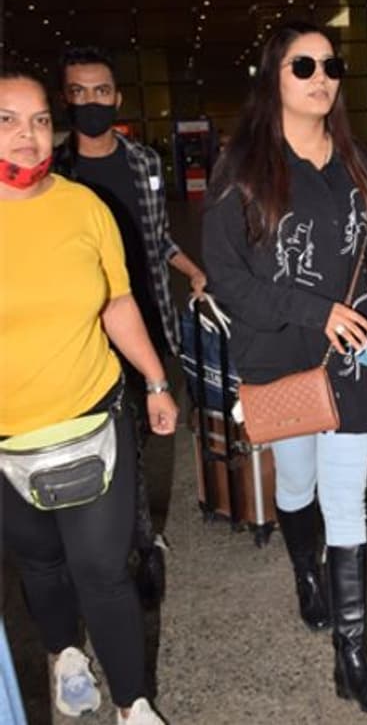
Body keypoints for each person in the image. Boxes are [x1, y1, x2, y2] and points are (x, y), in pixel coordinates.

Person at [202, 22, 367, 715]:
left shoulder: (356, 161)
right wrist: (312, 311)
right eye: (303, 66)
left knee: (346, 501)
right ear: (274, 76)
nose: (322, 78)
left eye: (331, 66)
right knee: (297, 484)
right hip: (279, 351)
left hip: (352, 354)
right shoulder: (242, 170)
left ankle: (352, 659)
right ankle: (304, 575)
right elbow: (228, 278)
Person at [0, 71, 177, 724]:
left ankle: (133, 704)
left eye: (40, 119)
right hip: (6, 438)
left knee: (102, 569)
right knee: (41, 563)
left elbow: (117, 302)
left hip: (92, 416)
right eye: (7, 119)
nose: (27, 134)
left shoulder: (84, 207)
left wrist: (155, 380)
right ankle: (65, 654)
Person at [53, 45, 206, 607]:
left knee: (137, 438)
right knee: (102, 441)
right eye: (79, 92)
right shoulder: (55, 170)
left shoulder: (144, 163)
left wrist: (193, 271)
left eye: (101, 91)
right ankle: (121, 540)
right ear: (65, 99)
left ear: (117, 97)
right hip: (83, 331)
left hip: (146, 321)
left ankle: (139, 540)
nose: (91, 102)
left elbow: (157, 237)